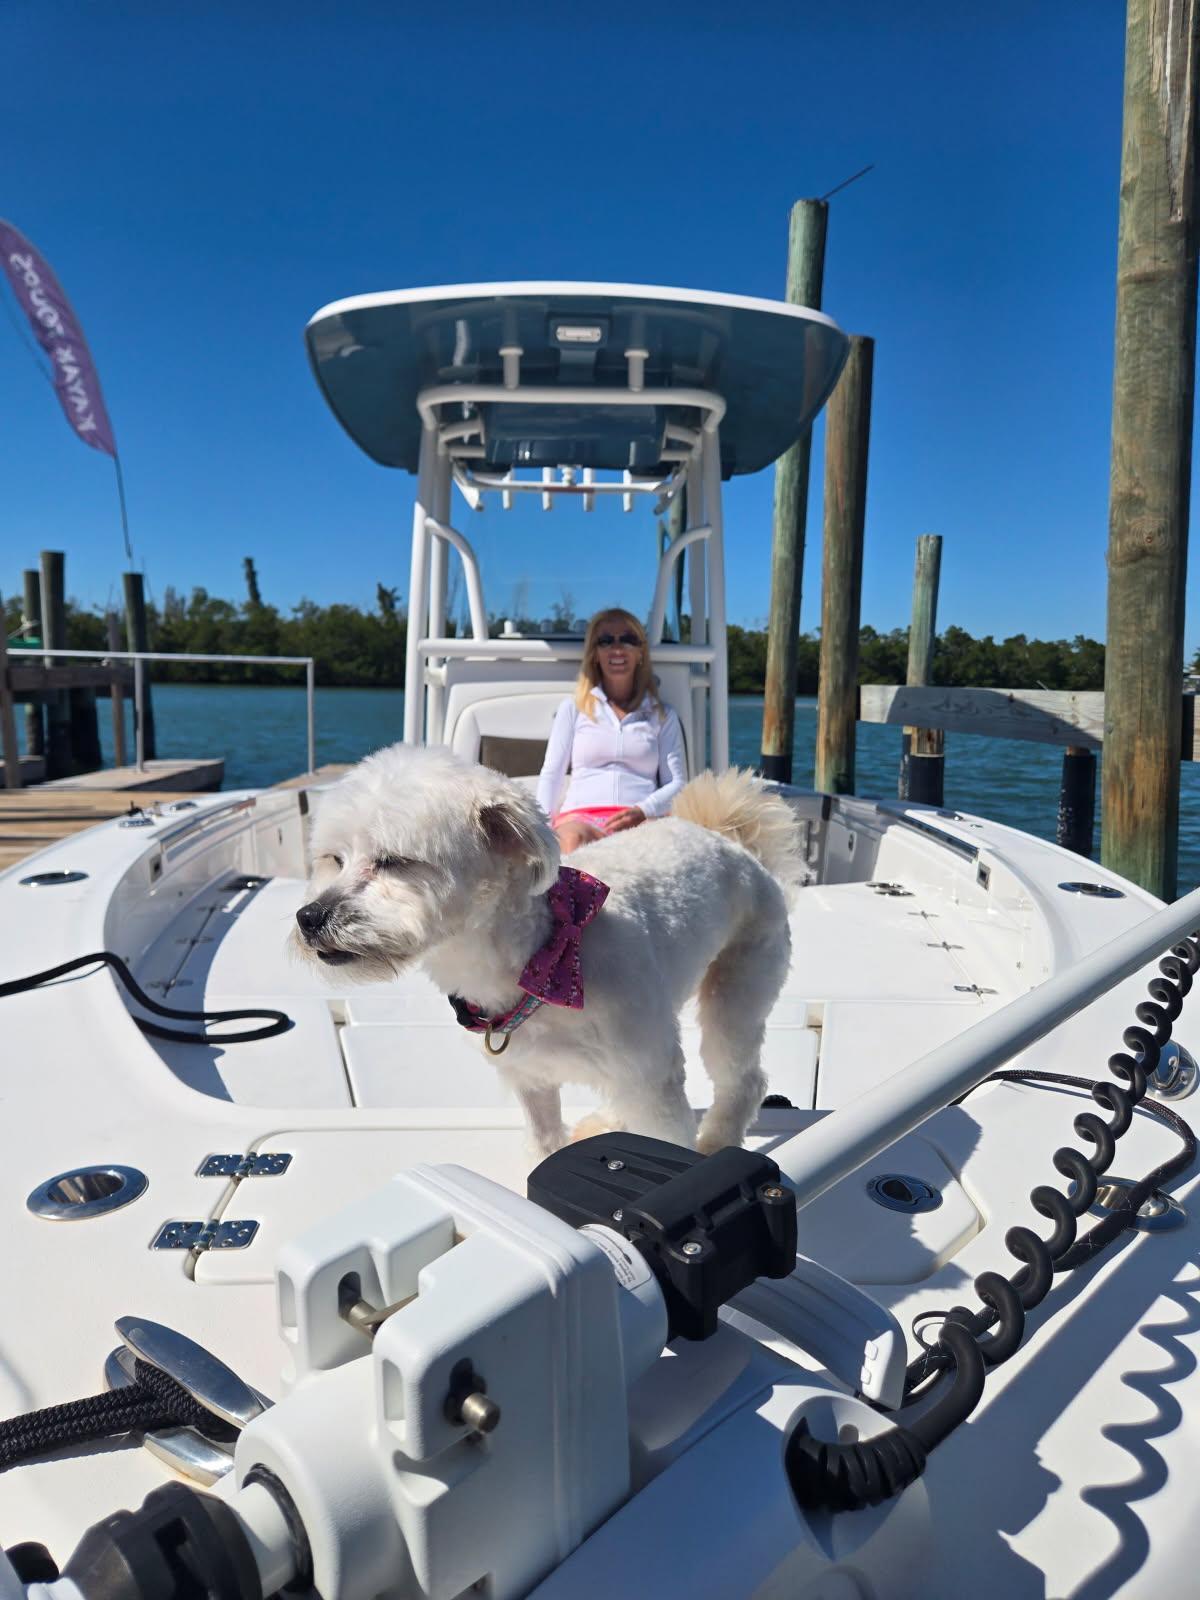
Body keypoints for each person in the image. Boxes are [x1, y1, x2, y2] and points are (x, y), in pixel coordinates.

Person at [535, 608, 686, 853]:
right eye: (605, 641)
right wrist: (539, 829)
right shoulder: (573, 709)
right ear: (595, 654)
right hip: (581, 818)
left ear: (640, 653)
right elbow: (552, 773)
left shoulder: (663, 715)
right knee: (571, 841)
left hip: (640, 820)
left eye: (627, 639)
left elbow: (678, 783)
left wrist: (643, 810)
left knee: (663, 847)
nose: (617, 648)